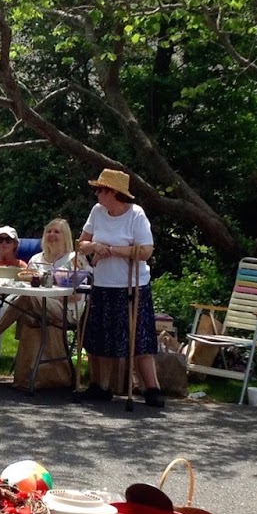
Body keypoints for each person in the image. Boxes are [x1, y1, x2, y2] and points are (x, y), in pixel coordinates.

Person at [75, 169, 164, 407]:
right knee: (100, 337)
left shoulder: (136, 215)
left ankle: (152, 388)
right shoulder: (97, 212)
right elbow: (81, 243)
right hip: (103, 284)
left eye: (100, 189)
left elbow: (145, 251)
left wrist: (111, 250)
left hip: (131, 286)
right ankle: (100, 386)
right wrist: (94, 245)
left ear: (113, 192)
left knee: (139, 338)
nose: (96, 193)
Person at [0, 218, 80, 352]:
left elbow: (78, 296)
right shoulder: (36, 260)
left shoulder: (74, 260)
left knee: (26, 299)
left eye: (57, 232)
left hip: (65, 308)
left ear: (66, 236)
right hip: (35, 307)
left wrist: (48, 295)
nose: (51, 235)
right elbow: (24, 285)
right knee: (24, 303)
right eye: (48, 231)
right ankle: (28, 362)